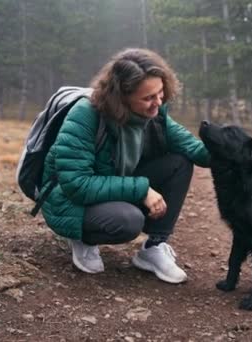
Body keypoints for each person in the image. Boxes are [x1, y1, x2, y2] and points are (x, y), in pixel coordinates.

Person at [40, 48, 210, 284]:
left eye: (160, 93)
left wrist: (231, 152)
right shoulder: (85, 115)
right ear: (121, 96)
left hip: (111, 185)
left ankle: (153, 248)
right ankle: (82, 238)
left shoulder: (154, 114)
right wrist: (142, 190)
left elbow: (192, 147)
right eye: (148, 97)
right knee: (128, 221)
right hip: (71, 200)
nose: (158, 103)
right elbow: (76, 184)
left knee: (179, 163)